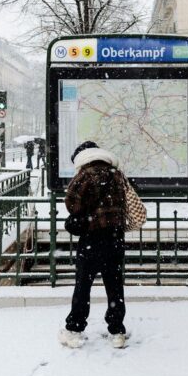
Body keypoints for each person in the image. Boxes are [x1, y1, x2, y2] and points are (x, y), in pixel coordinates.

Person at [59, 141, 128, 349]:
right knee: (114, 286)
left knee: (83, 286)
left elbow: (72, 204)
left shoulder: (84, 175)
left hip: (91, 238)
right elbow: (125, 202)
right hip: (115, 238)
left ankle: (75, 329)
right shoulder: (116, 174)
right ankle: (116, 331)